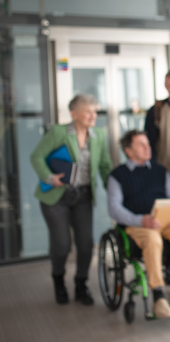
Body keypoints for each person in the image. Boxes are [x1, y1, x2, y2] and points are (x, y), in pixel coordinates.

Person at [30, 94, 112, 306]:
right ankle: (58, 281)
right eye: (88, 111)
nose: (93, 115)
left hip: (83, 196)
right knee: (62, 245)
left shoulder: (99, 135)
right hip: (56, 197)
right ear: (74, 114)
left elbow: (104, 165)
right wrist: (50, 177)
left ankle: (81, 283)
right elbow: (36, 156)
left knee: (85, 245)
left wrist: (114, 189)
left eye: (95, 111)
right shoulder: (58, 132)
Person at [107, 129, 170, 318]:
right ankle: (159, 296)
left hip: (164, 223)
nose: (147, 147)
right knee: (153, 239)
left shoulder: (160, 171)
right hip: (137, 225)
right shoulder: (117, 176)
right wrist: (141, 220)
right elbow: (114, 209)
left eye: (147, 143)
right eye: (141, 144)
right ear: (128, 151)